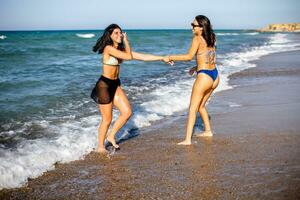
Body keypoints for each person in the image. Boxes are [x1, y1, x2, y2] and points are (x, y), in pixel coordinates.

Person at [92, 24, 167, 153]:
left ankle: (111, 136)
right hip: (104, 86)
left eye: (120, 33)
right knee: (107, 119)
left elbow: (142, 57)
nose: (119, 35)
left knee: (127, 112)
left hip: (115, 84)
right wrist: (127, 41)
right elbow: (129, 56)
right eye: (116, 33)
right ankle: (100, 147)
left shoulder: (120, 50)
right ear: (109, 36)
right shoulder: (108, 48)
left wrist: (162, 58)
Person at [163, 15, 219, 145]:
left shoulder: (197, 38)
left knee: (192, 109)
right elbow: (210, 57)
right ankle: (208, 131)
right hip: (215, 75)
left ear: (201, 27)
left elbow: (188, 56)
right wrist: (196, 67)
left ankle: (187, 140)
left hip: (204, 76)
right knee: (201, 106)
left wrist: (170, 56)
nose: (192, 28)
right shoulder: (212, 37)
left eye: (193, 26)